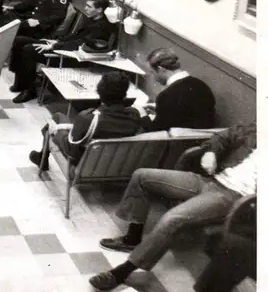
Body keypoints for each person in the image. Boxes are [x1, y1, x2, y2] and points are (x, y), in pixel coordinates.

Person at [88, 122, 256, 291]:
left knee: (172, 219)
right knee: (142, 176)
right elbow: (222, 137)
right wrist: (211, 152)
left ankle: (122, 273)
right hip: (211, 179)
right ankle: (132, 238)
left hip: (232, 196)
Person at [10, 0, 116, 104]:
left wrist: (55, 45)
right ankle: (20, 82)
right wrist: (58, 41)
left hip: (72, 58)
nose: (85, 8)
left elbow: (81, 43)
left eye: (89, 6)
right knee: (19, 40)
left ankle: (29, 90)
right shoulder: (92, 19)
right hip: (65, 46)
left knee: (29, 49)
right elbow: (75, 36)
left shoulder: (101, 27)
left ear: (99, 10)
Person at [28, 72, 145, 170]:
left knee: (56, 119)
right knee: (64, 123)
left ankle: (42, 158)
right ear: (124, 95)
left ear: (99, 92)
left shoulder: (89, 118)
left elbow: (71, 151)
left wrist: (56, 132)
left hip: (85, 167)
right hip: (115, 165)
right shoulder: (134, 115)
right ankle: (42, 155)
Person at [140, 47, 216, 131]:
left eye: (152, 72)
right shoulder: (202, 86)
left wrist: (144, 117)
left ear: (161, 70)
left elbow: (155, 132)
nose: (154, 78)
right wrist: (160, 110)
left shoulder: (166, 96)